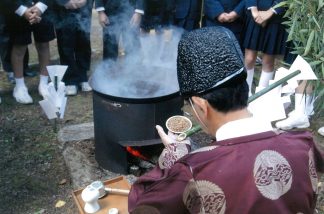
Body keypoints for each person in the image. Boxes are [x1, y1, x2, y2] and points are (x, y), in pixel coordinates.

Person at [128, 27, 323, 213]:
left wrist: (171, 159)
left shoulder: (193, 172)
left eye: (190, 105)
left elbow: (141, 207)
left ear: (201, 105)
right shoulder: (304, 144)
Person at [8, 0, 55, 104]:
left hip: (42, 8)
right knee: (20, 46)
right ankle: (19, 87)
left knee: (43, 44)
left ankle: (43, 84)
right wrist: (23, 10)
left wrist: (40, 7)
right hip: (18, 8)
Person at [243, 0, 287, 95]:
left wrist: (271, 11)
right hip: (254, 15)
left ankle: (262, 96)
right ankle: (245, 94)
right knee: (249, 59)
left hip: (276, 18)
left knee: (268, 62)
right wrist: (254, 10)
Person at [53, 0, 93, 96]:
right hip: (62, 9)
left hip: (84, 8)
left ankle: (83, 76)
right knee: (65, 43)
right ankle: (70, 80)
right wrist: (64, 2)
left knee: (84, 41)